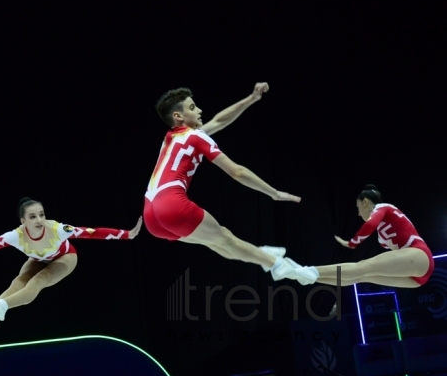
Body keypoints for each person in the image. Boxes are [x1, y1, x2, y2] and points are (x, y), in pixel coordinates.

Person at [143, 83, 304, 280]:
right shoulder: (195, 136)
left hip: (151, 215)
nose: (200, 110)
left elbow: (219, 121)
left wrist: (251, 98)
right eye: (193, 107)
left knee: (219, 241)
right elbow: (237, 172)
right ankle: (277, 265)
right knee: (225, 239)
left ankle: (264, 257)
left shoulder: (170, 137)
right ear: (178, 116)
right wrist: (274, 193)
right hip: (171, 205)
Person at [0, 197, 142, 330]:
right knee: (19, 280)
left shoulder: (58, 229)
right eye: (33, 217)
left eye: (41, 215)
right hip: (39, 259)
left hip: (65, 257)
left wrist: (126, 234)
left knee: (38, 281)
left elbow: (91, 232)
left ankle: (0, 306)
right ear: (23, 221)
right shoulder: (15, 236)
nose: (39, 220)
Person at [285, 184, 435, 288]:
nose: (358, 213)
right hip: (416, 279)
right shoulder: (381, 238)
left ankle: (304, 270)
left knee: (361, 267)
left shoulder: (383, 207)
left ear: (365, 202)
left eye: (358, 208)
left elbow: (370, 225)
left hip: (420, 255)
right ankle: (310, 277)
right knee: (361, 276)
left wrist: (352, 243)